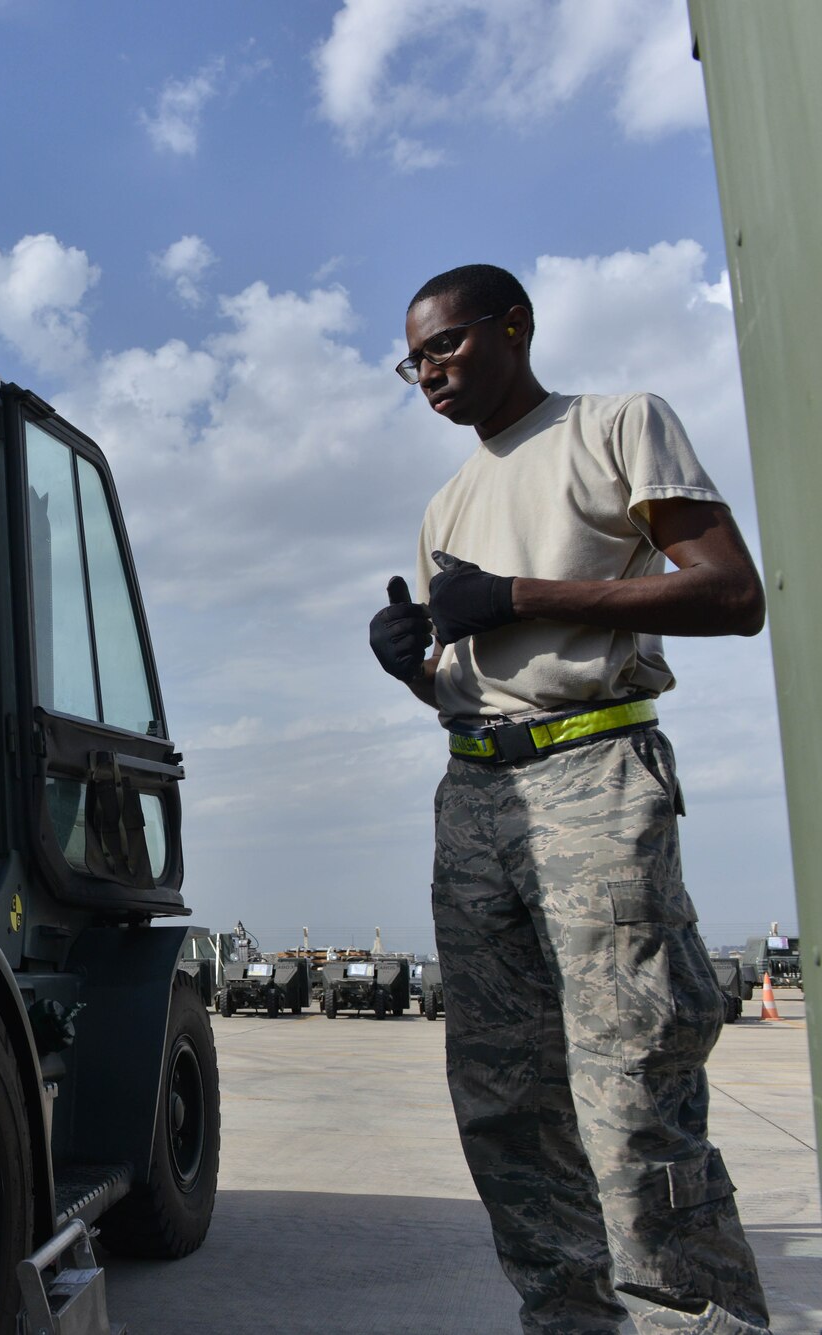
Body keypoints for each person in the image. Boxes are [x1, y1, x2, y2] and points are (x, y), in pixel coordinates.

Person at [368, 264, 772, 1334]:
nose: (426, 374)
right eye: (411, 361)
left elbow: (733, 595)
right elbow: (476, 681)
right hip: (473, 790)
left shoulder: (612, 424)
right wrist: (412, 666)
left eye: (443, 347)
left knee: (631, 1089)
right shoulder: (446, 502)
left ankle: (696, 1321)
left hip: (592, 773)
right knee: (503, 1105)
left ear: (514, 326)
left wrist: (518, 595)